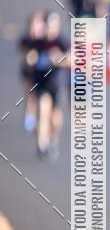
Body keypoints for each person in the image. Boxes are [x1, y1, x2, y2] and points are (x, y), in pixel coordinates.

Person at [27, 11, 70, 159]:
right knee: (42, 111)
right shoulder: (38, 42)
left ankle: (53, 138)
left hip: (56, 84)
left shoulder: (62, 42)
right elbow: (29, 56)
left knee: (55, 117)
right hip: (41, 83)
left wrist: (59, 58)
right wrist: (31, 59)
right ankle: (42, 144)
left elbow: (73, 60)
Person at [17, 10, 46, 132]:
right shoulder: (27, 39)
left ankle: (40, 119)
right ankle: (30, 116)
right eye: (32, 24)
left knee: (43, 98)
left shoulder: (45, 39)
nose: (34, 28)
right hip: (30, 73)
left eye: (37, 24)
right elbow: (20, 51)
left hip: (44, 74)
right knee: (30, 92)